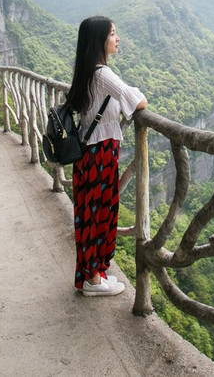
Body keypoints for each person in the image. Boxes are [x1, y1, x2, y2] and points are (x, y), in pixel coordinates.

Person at [66, 16, 147, 297]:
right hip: (100, 153)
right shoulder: (102, 73)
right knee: (98, 213)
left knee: (95, 213)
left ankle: (96, 273)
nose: (118, 38)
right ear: (99, 40)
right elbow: (137, 101)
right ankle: (94, 280)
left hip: (93, 152)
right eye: (113, 33)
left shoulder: (87, 70)